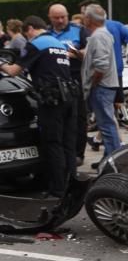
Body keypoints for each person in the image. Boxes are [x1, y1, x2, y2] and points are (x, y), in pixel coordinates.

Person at [0, 16, 77, 197]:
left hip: (51, 100)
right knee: (68, 144)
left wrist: (1, 63)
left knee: (53, 143)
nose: (28, 39)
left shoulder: (36, 44)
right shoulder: (59, 44)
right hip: (70, 98)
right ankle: (72, 184)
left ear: (31, 29)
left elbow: (13, 72)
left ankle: (57, 189)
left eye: (28, 35)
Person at [48, 3, 88, 166]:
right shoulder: (46, 33)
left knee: (79, 117)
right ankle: (63, 151)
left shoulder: (78, 30)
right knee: (58, 118)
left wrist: (75, 53)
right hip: (54, 81)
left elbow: (88, 51)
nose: (60, 20)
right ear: (50, 18)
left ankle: (78, 153)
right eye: (56, 18)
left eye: (63, 17)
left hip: (75, 78)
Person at [81, 5, 121, 161]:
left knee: (106, 125)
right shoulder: (102, 34)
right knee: (106, 124)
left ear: (89, 19)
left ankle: (114, 161)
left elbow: (101, 66)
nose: (83, 19)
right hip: (105, 85)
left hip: (102, 87)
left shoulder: (98, 36)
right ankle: (108, 159)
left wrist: (93, 83)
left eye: (85, 16)